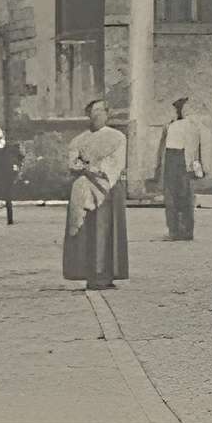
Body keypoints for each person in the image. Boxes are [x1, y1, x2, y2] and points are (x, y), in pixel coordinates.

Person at [64, 99, 131, 289]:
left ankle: (106, 274)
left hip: (108, 189)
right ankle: (90, 275)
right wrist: (82, 168)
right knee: (87, 232)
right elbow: (73, 163)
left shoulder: (117, 137)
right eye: (92, 112)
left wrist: (92, 168)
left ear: (107, 114)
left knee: (107, 232)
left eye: (100, 111)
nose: (96, 115)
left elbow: (115, 163)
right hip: (84, 189)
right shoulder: (79, 139)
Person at [158, 98, 205, 242]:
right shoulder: (169, 126)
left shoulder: (192, 126)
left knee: (185, 197)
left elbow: (195, 149)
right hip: (171, 161)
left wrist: (196, 168)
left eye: (180, 109)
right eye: (177, 109)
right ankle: (174, 230)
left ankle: (186, 231)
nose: (179, 112)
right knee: (171, 199)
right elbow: (163, 148)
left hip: (184, 163)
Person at [0, 127, 23, 226]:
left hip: (6, 175)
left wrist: (16, 165)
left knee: (8, 198)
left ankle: (10, 219)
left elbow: (18, 157)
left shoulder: (11, 146)